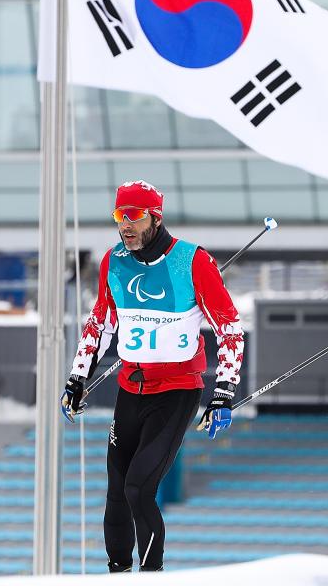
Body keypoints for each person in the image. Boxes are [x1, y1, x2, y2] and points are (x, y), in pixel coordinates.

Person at [61, 180, 245, 573]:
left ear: (154, 217)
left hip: (175, 392)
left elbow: (229, 329)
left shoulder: (193, 262)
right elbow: (101, 322)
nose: (124, 225)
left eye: (133, 216)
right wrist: (77, 379)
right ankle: (117, 574)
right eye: (118, 216)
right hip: (130, 389)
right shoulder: (113, 262)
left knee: (138, 490)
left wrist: (223, 393)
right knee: (115, 493)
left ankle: (151, 576)